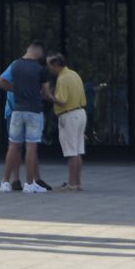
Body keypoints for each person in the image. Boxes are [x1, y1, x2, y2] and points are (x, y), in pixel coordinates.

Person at [0, 42, 48, 193]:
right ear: (38, 53)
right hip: (33, 111)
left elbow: (0, 81)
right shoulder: (39, 69)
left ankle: (5, 182)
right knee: (31, 146)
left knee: (13, 145)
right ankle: (29, 183)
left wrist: (17, 90)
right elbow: (45, 92)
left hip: (16, 110)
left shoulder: (15, 65)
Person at [48, 53, 86, 192]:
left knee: (71, 151)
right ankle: (77, 182)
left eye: (49, 65)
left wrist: (49, 95)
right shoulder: (74, 74)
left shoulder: (63, 78)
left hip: (69, 115)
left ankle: (72, 184)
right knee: (78, 150)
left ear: (56, 64)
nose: (49, 68)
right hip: (80, 112)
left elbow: (62, 100)